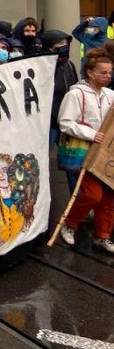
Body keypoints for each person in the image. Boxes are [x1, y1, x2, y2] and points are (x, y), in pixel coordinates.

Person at [58, 48, 114, 253]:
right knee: (92, 194)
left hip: (107, 153)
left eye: (110, 73)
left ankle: (103, 235)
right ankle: (70, 223)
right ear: (90, 73)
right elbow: (64, 122)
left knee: (110, 195)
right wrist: (91, 134)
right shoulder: (76, 94)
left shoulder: (110, 94)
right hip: (84, 150)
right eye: (103, 72)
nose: (108, 76)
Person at [43, 30, 77, 148]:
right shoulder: (43, 66)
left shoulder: (69, 65)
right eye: (60, 44)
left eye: (66, 44)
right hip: (49, 120)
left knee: (69, 155)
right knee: (46, 152)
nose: (64, 47)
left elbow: (74, 86)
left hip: (66, 117)